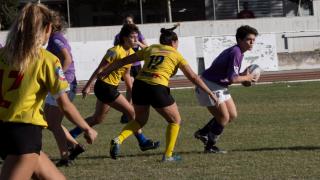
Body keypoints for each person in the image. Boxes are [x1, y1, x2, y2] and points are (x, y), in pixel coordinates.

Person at [0, 3, 97, 180]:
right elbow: (65, 105)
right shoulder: (47, 60)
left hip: (4, 132)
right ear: (46, 28)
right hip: (25, 133)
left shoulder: (2, 55)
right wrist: (87, 128)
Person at [98, 25, 219, 162]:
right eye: (177, 43)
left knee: (140, 120)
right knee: (175, 120)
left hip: (139, 85)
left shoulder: (151, 48)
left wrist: (106, 71)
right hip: (156, 86)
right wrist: (209, 92)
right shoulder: (176, 54)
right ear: (174, 42)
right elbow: (193, 77)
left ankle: (119, 139)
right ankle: (168, 155)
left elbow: (124, 61)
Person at [69, 24, 160, 152]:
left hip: (109, 88)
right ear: (124, 38)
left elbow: (126, 74)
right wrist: (88, 85)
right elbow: (100, 68)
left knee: (97, 118)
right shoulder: (115, 51)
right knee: (131, 112)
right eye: (132, 37)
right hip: (104, 87)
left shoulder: (131, 53)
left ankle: (71, 134)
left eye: (136, 37)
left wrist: (132, 91)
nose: (135, 40)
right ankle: (143, 142)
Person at [194, 25, 258, 153]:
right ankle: (210, 147)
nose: (252, 42)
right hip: (208, 85)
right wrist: (248, 77)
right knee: (223, 117)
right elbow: (233, 79)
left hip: (219, 85)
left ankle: (204, 132)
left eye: (253, 40)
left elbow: (232, 77)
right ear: (239, 40)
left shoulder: (237, 51)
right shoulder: (236, 52)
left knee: (232, 115)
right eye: (248, 39)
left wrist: (245, 78)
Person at [44, 11, 84, 167]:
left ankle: (65, 157)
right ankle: (75, 146)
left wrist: (59, 78)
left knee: (53, 124)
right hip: (62, 84)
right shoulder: (55, 38)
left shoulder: (55, 39)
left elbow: (67, 58)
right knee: (49, 122)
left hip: (64, 85)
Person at [114, 14, 148, 124]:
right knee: (130, 87)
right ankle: (128, 111)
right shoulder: (119, 36)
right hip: (126, 66)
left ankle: (128, 111)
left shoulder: (138, 35)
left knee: (135, 89)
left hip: (137, 65)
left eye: (130, 22)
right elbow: (116, 49)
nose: (128, 23)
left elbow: (147, 48)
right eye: (126, 22)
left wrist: (138, 42)